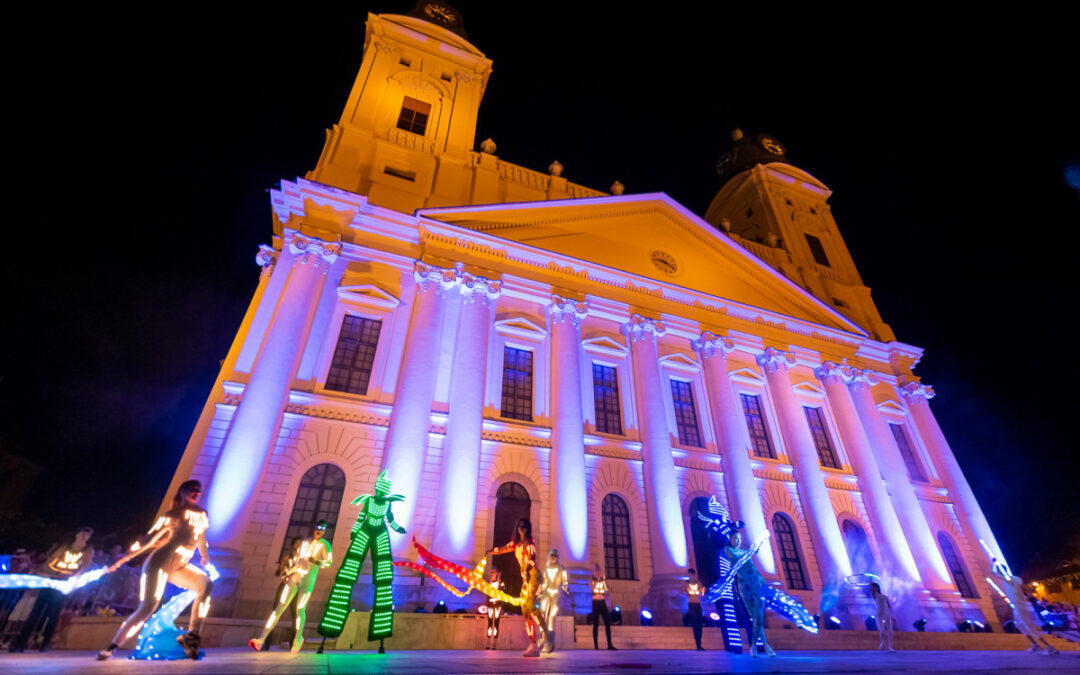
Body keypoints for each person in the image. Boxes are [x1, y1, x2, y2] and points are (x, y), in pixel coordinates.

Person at [97, 479, 214, 661]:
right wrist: (123, 560)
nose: (196, 493)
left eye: (199, 490)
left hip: (180, 565)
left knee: (205, 585)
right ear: (182, 492)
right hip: (159, 563)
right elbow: (148, 540)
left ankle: (192, 637)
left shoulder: (202, 514)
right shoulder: (171, 515)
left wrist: (205, 556)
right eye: (192, 489)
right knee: (148, 606)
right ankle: (112, 646)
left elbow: (201, 538)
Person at [318, 471, 405, 653]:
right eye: (380, 489)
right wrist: (355, 530)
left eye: (384, 489)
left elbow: (390, 520)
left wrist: (398, 528)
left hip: (380, 533)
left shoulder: (388, 503)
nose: (381, 492)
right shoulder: (369, 500)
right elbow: (361, 517)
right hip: (367, 531)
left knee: (383, 577)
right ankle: (330, 626)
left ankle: (380, 631)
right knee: (347, 574)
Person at [250, 521, 332, 654]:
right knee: (279, 607)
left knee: (300, 609)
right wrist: (290, 571)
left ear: (325, 531)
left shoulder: (325, 545)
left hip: (308, 580)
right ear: (314, 528)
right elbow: (299, 560)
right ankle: (261, 638)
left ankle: (297, 638)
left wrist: (316, 561)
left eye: (322, 529)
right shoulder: (305, 542)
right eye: (318, 528)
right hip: (295, 577)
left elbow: (328, 563)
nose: (319, 531)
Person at [9, 527, 95, 652]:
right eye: (83, 533)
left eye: (88, 534)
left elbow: (85, 567)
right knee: (36, 611)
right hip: (51, 581)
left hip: (64, 584)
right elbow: (50, 562)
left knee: (53, 614)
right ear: (77, 534)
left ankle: (45, 643)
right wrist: (52, 572)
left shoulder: (87, 550)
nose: (85, 536)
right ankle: (21, 643)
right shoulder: (65, 548)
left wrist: (71, 576)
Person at [488, 518, 544, 657]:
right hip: (525, 579)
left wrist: (528, 569)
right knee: (524, 610)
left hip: (533, 575)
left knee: (530, 605)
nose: (521, 529)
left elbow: (532, 558)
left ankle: (545, 629)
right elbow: (502, 549)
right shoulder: (515, 544)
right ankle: (533, 643)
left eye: (524, 527)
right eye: (519, 527)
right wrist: (490, 552)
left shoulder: (530, 543)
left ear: (527, 529)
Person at [724, 530, 775, 657]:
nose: (738, 541)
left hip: (757, 583)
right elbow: (740, 561)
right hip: (745, 585)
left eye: (740, 538)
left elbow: (752, 553)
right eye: (735, 538)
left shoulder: (745, 551)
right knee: (755, 615)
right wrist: (755, 546)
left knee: (759, 616)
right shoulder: (729, 551)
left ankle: (758, 645)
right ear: (730, 539)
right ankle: (762, 645)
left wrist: (756, 545)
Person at [990, 560, 1057, 655]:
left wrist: (994, 563)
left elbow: (996, 573)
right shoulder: (1007, 581)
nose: (999, 574)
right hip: (1016, 606)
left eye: (1000, 572)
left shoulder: (1011, 580)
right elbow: (994, 573)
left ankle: (1049, 647)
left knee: (1028, 626)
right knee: (1019, 625)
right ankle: (1035, 644)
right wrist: (994, 564)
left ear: (1003, 572)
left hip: (1019, 606)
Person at [538, 549, 572, 653]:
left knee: (551, 618)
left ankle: (549, 642)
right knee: (543, 615)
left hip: (556, 595)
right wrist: (540, 591)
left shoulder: (561, 568)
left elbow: (565, 581)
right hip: (546, 594)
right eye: (552, 555)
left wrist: (566, 588)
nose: (553, 557)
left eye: (555, 556)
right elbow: (544, 582)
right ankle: (542, 639)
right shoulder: (547, 568)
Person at [590, 562, 616, 650]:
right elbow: (593, 589)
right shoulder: (591, 580)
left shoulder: (603, 580)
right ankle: (596, 645)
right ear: (593, 571)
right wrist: (599, 586)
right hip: (595, 603)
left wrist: (604, 581)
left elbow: (606, 590)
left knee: (607, 623)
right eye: (595, 570)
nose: (597, 572)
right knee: (596, 624)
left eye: (598, 570)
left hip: (602, 602)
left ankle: (609, 644)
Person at [680, 568, 705, 651]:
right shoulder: (686, 583)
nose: (691, 576)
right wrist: (683, 590)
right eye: (690, 575)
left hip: (698, 604)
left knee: (699, 624)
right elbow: (681, 592)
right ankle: (697, 644)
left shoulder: (698, 583)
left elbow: (703, 592)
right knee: (695, 624)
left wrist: (703, 591)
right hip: (691, 604)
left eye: (693, 574)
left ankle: (699, 643)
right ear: (688, 575)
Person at [869, 581, 895, 652]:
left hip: (887, 615)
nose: (875, 588)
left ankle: (890, 647)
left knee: (890, 631)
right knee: (882, 632)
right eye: (874, 587)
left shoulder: (884, 597)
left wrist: (893, 616)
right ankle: (882, 642)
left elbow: (889, 607)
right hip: (879, 615)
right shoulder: (875, 596)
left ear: (878, 587)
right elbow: (871, 589)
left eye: (876, 587)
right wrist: (870, 579)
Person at [485, 568, 504, 650]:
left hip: (497, 606)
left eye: (493, 572)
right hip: (490, 605)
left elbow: (502, 595)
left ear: (497, 573)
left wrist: (499, 583)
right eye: (491, 572)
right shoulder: (488, 584)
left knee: (496, 623)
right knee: (489, 623)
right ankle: (488, 643)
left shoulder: (500, 583)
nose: (492, 574)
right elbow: (486, 594)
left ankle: (494, 644)